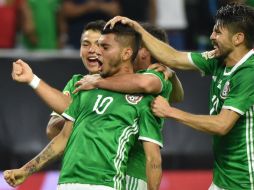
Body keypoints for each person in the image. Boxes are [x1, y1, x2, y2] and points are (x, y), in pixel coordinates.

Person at [106, 3, 254, 190]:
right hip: (224, 177)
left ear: (238, 38)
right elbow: (174, 57)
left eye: (218, 32)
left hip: (245, 180)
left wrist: (170, 112)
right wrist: (137, 28)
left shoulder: (249, 72)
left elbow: (222, 125)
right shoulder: (219, 59)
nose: (211, 37)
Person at [4, 23, 164, 190]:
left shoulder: (144, 98)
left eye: (104, 46)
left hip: (107, 183)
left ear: (126, 53)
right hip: (67, 182)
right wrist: (26, 170)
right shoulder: (85, 87)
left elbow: (154, 160)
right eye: (89, 44)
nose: (96, 51)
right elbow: (63, 137)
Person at [73, 22, 182, 190]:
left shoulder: (154, 78)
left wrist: (98, 82)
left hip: (131, 174)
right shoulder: (127, 79)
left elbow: (145, 84)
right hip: (112, 172)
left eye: (137, 45)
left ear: (146, 51)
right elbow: (178, 96)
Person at [46, 20, 106, 139]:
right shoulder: (76, 83)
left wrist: (72, 116)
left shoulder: (126, 85)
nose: (91, 50)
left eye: (98, 44)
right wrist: (81, 117)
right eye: (85, 44)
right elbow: (51, 130)